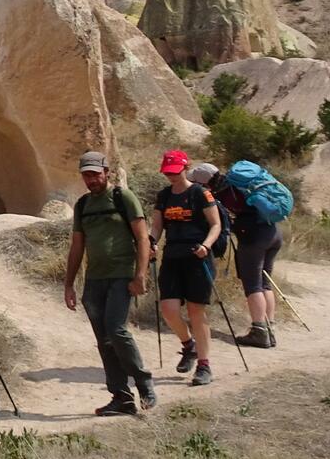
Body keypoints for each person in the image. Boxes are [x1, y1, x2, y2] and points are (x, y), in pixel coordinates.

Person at [63, 150, 156, 416]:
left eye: (95, 174)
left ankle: (143, 382)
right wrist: (69, 284)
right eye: (86, 176)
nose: (91, 180)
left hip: (121, 275)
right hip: (95, 280)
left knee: (116, 330)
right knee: (104, 339)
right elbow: (77, 246)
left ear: (107, 172)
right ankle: (121, 397)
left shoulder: (122, 197)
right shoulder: (82, 206)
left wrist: (141, 275)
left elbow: (142, 238)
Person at [151, 148, 222, 387]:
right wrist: (151, 243)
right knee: (169, 309)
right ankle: (188, 345)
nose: (171, 176)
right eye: (167, 172)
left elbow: (215, 225)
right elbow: (157, 227)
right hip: (172, 257)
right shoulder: (163, 196)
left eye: (175, 171)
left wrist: (206, 245)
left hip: (197, 257)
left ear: (185, 167)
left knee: (195, 311)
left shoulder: (200, 193)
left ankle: (204, 365)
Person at [190, 161, 279, 348]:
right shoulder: (238, 185)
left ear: (204, 183)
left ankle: (259, 331)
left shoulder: (222, 195)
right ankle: (269, 327)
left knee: (253, 285)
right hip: (273, 233)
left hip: (254, 237)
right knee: (264, 283)